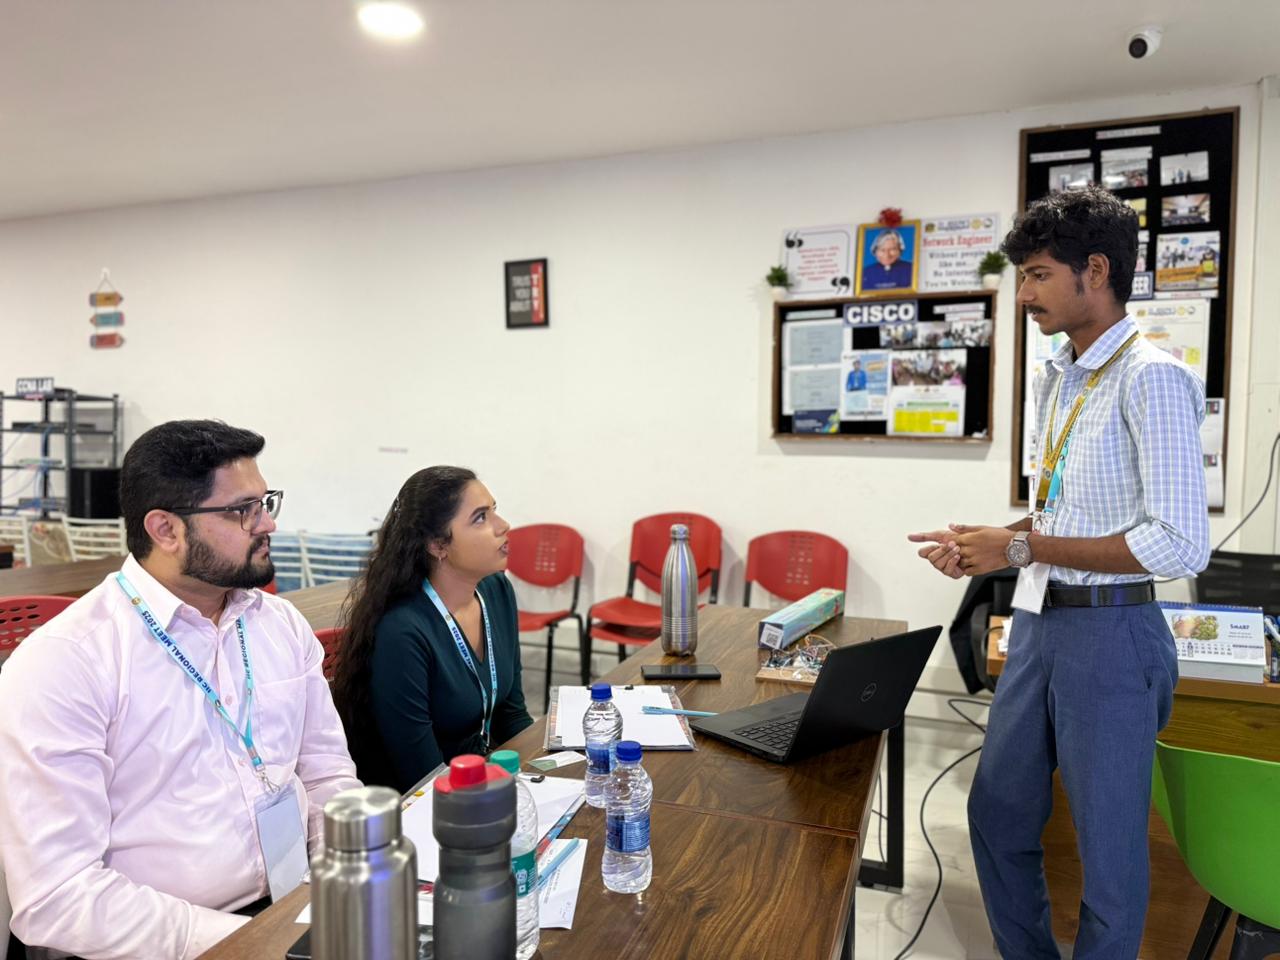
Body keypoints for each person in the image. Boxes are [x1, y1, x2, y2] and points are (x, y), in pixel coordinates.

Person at [908, 185, 1208, 959]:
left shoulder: (1152, 377)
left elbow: (1179, 544)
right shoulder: (1060, 376)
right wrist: (988, 541)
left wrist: (1020, 551)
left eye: (1039, 274)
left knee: (1109, 860)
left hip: (1114, 637)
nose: (1024, 295)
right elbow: (1063, 515)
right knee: (997, 815)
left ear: (1095, 271)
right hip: (1039, 625)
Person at [0, 420, 359, 959]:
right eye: (244, 510)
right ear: (166, 530)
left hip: (290, 907)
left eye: (266, 502)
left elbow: (327, 773)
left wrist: (339, 885)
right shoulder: (66, 662)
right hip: (152, 942)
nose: (268, 524)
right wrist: (254, 943)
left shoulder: (278, 623)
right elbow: (58, 896)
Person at [332, 466, 534, 793]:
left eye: (494, 510)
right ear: (438, 545)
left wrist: (545, 772)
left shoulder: (496, 590)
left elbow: (512, 715)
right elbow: (422, 776)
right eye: (480, 518)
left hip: (484, 777)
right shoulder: (402, 630)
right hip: (429, 801)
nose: (503, 525)